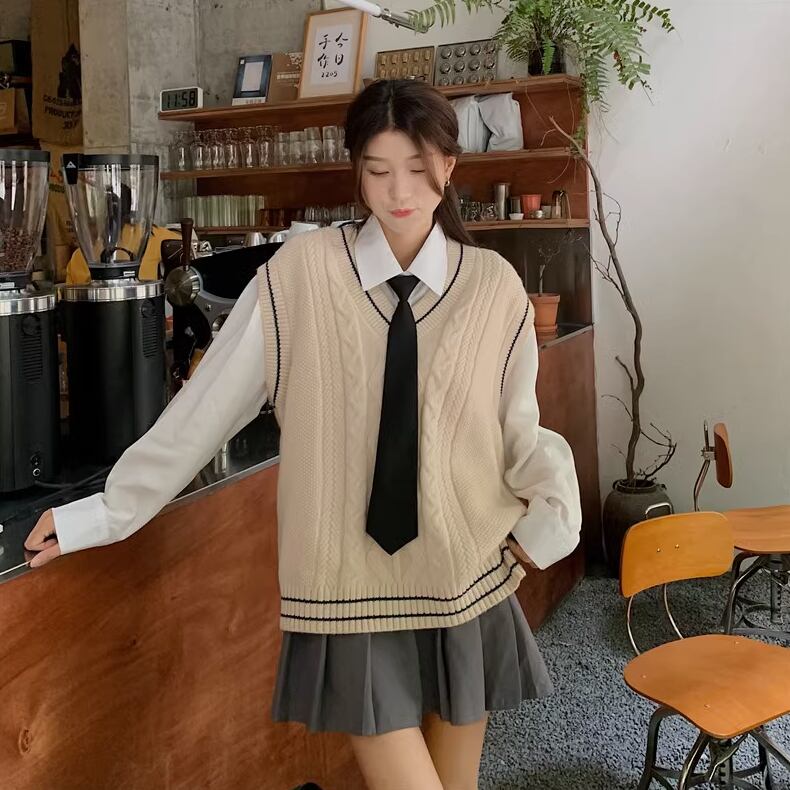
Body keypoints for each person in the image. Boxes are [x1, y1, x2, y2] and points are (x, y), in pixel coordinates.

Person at [25, 79, 582, 790]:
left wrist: (549, 521)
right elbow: (203, 412)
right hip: (347, 587)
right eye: (378, 171)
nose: (399, 192)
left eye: (417, 169)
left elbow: (517, 429)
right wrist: (101, 514)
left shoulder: (493, 287)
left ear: (449, 165)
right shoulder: (297, 278)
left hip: (465, 575)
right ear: (356, 172)